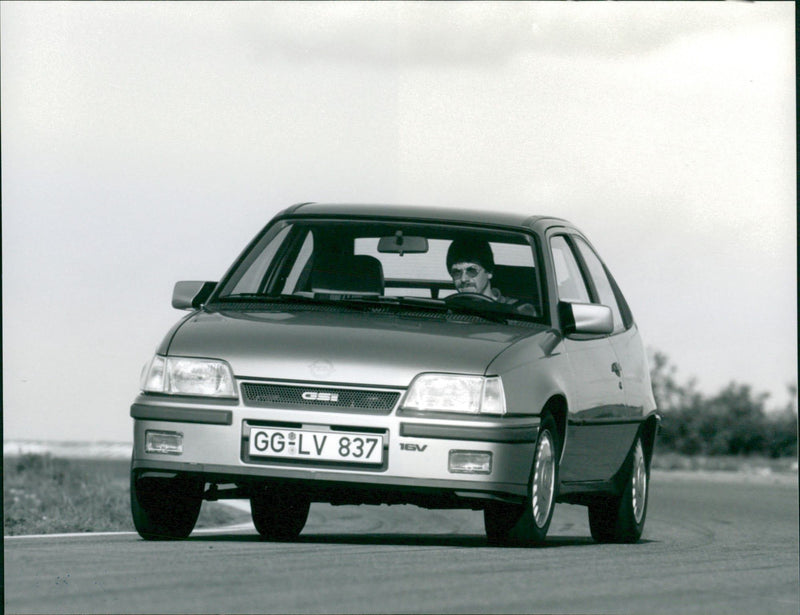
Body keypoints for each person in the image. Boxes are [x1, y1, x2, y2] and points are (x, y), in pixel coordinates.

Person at [446, 238, 538, 316]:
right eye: (456, 272)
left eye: (471, 271)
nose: (463, 279)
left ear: (489, 272)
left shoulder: (518, 310)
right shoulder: (446, 309)